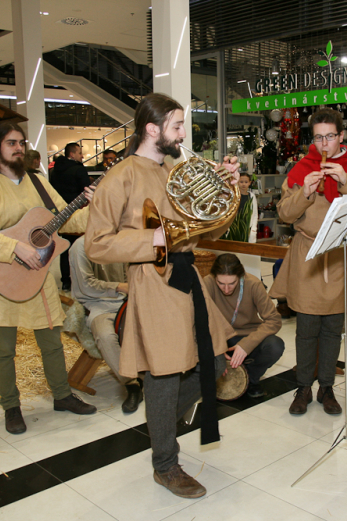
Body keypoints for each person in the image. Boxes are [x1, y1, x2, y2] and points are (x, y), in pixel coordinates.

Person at [84, 93, 240, 499]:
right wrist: (154, 239)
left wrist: (224, 196)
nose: (182, 133)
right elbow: (96, 244)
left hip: (187, 280)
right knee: (163, 376)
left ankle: (162, 426)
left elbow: (206, 232)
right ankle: (165, 464)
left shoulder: (173, 171)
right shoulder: (120, 177)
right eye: (176, 126)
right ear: (152, 129)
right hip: (153, 285)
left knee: (216, 359)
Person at [0, 122, 96, 436]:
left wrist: (94, 204)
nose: (18, 148)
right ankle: (10, 406)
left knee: (52, 344)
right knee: (4, 349)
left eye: (21, 142)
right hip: (1, 278)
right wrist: (14, 247)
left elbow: (68, 219)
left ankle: (61, 395)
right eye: (11, 143)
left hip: (38, 277)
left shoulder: (38, 183)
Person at [269, 107, 347, 416]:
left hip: (341, 257)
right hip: (308, 256)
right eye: (318, 137)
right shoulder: (300, 168)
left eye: (329, 137)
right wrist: (305, 191)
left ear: (341, 136)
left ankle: (327, 388)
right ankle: (303, 387)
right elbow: (284, 214)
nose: (323, 144)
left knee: (334, 327)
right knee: (306, 327)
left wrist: (346, 181)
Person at [68, 236, 142, 413]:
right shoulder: (80, 247)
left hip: (127, 300)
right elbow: (86, 286)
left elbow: (129, 274)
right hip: (98, 304)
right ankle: (132, 384)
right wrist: (119, 286)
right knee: (106, 336)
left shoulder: (118, 242)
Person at [204, 254, 284, 398]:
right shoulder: (207, 284)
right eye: (221, 283)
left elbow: (274, 319)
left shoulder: (253, 284)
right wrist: (217, 346)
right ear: (214, 277)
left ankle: (249, 378)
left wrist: (247, 344)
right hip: (220, 337)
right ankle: (218, 376)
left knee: (275, 346)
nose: (226, 289)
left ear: (240, 276)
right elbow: (200, 321)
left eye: (232, 283)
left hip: (246, 335)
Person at [50, 142, 91, 291]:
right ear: (72, 154)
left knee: (64, 248)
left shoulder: (55, 171)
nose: (82, 155)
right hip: (77, 215)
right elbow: (86, 192)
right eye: (79, 153)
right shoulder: (79, 170)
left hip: (60, 215)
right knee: (80, 249)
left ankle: (65, 281)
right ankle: (80, 281)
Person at [223, 173, 258, 243]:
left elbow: (255, 214)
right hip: (234, 227)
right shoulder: (234, 195)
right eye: (241, 182)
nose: (243, 184)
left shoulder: (252, 196)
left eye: (246, 182)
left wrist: (254, 228)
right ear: (237, 182)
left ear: (249, 183)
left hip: (247, 227)